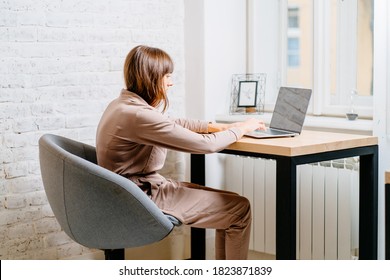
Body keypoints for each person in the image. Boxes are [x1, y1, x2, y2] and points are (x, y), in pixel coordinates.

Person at [96, 45, 266, 260]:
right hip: (143, 197)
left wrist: (215, 126)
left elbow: (170, 122)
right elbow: (206, 146)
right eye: (166, 76)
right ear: (150, 77)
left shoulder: (122, 105)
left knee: (234, 203)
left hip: (129, 193)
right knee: (239, 210)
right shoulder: (138, 115)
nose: (171, 82)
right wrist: (241, 129)